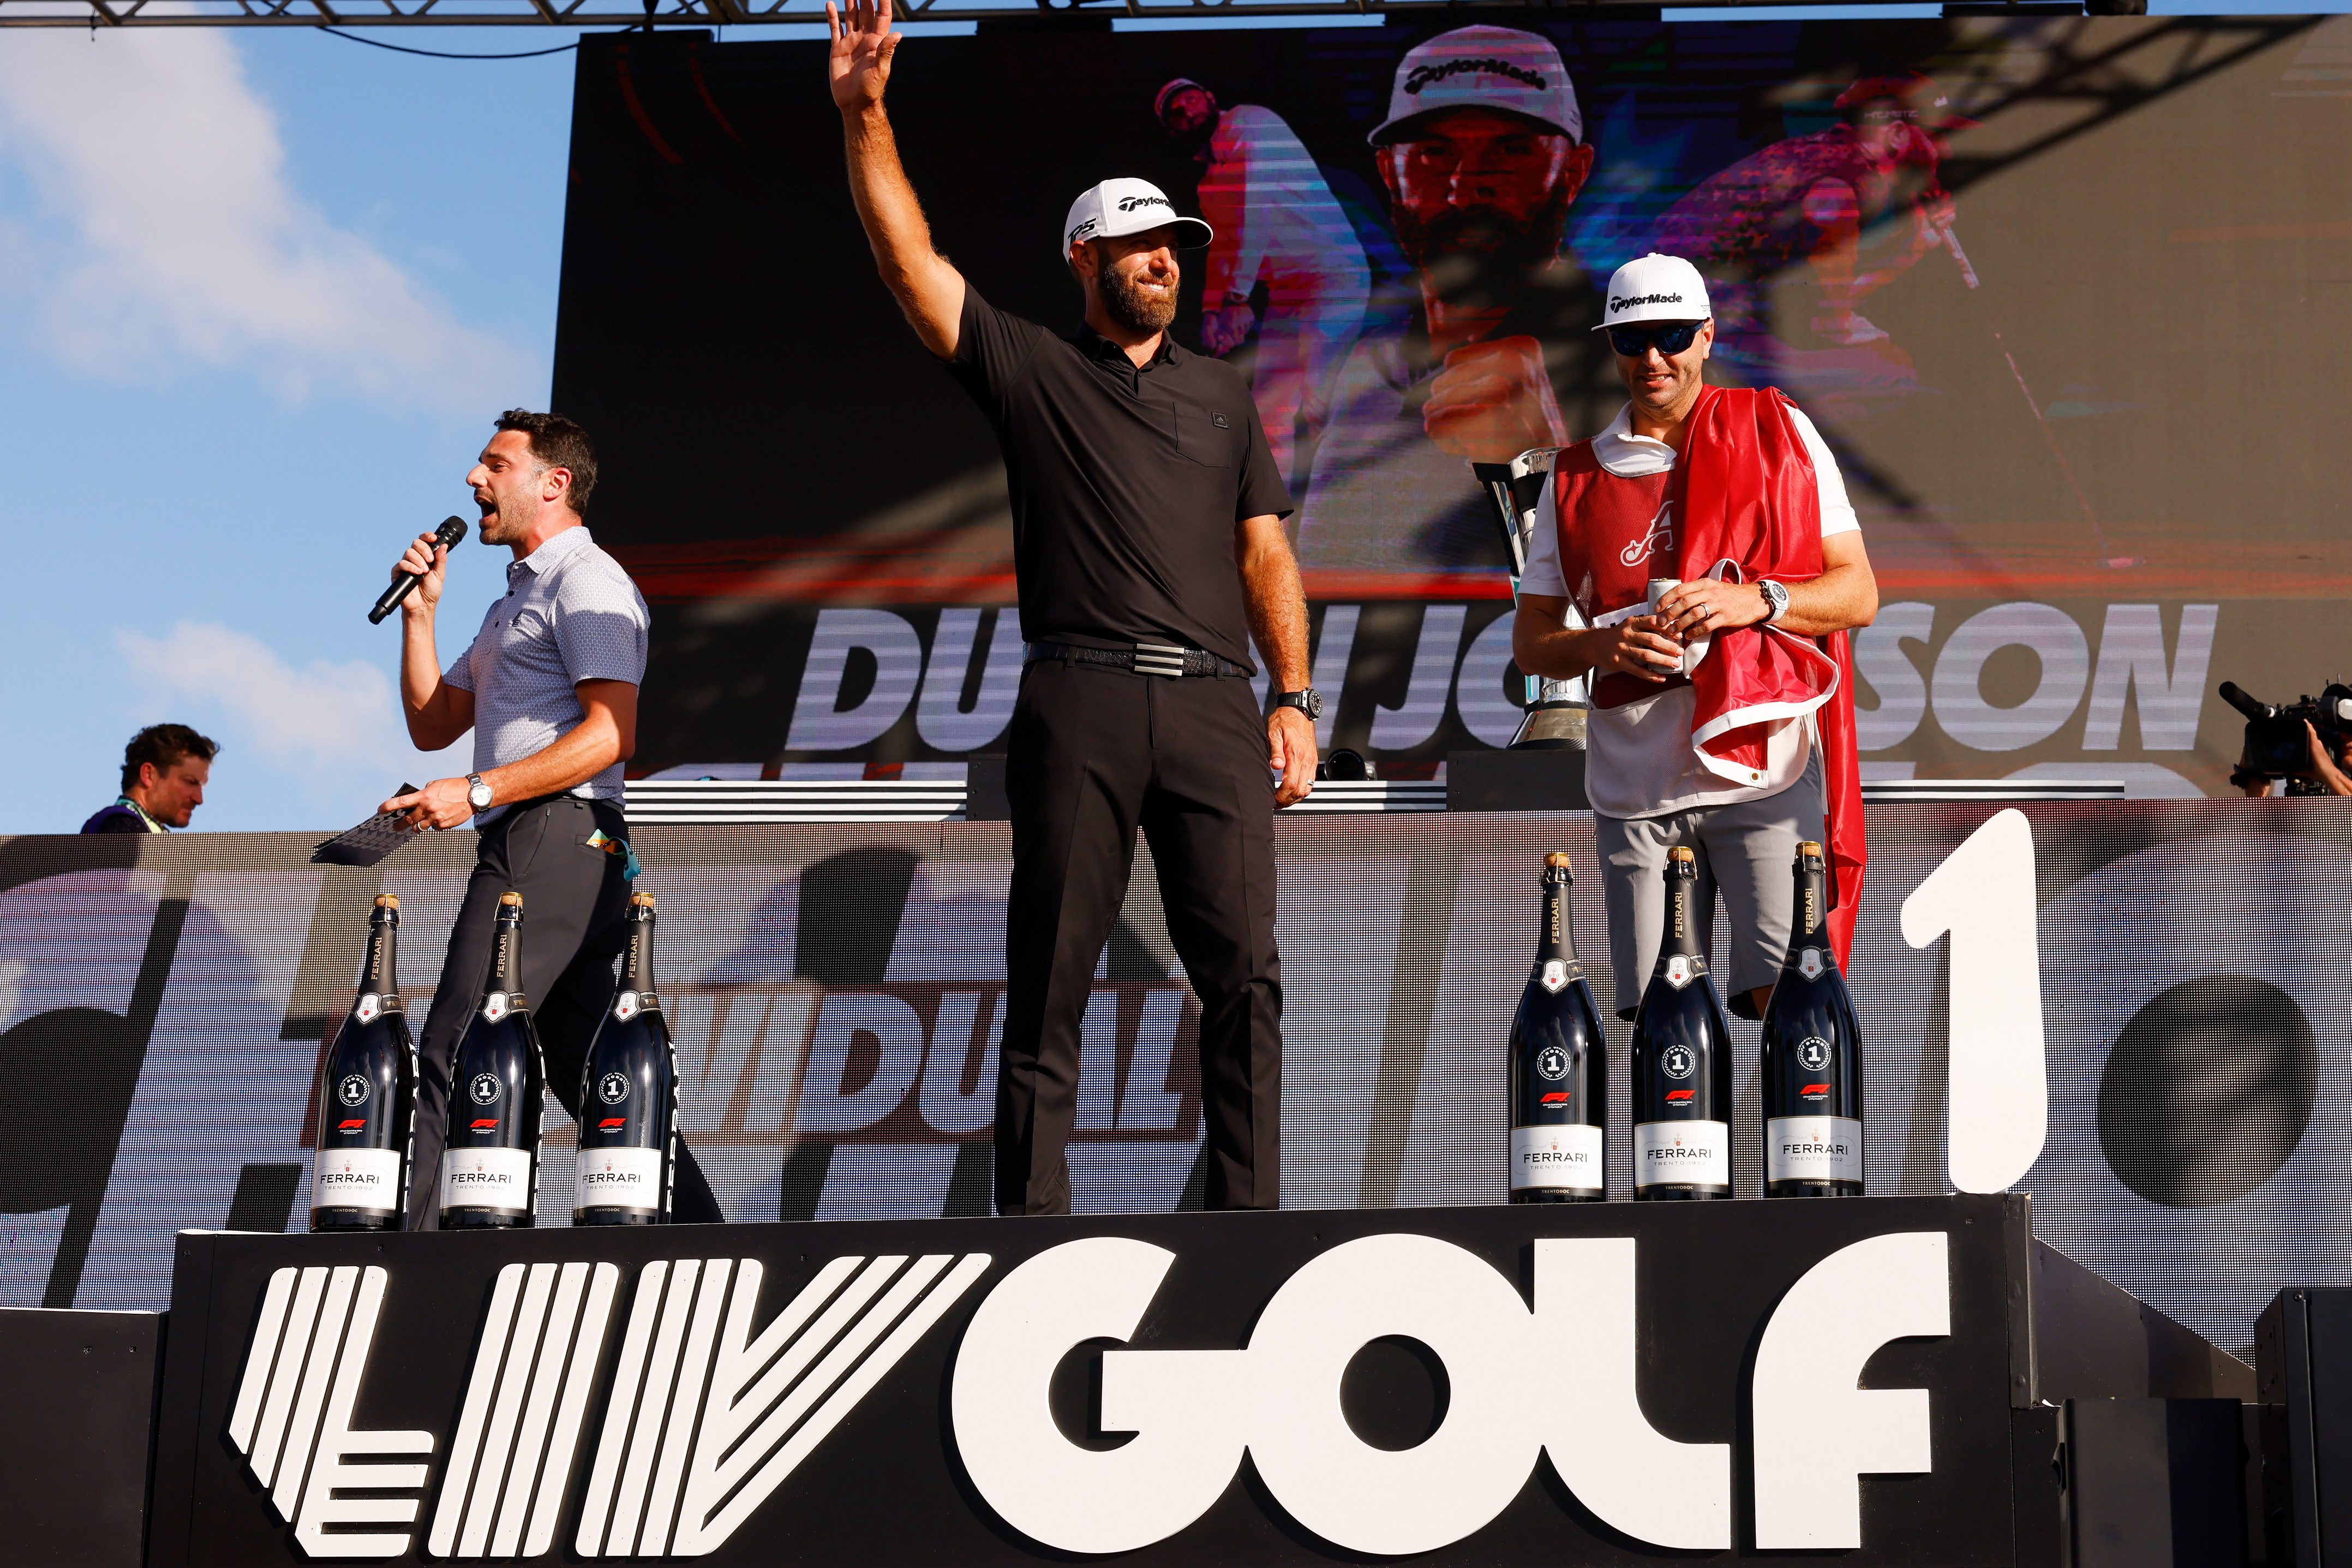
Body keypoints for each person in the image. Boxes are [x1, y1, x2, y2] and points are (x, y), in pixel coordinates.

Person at [829, 0, 1319, 1214]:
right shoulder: (1035, 369)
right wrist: (865, 113)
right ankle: (1030, 1237)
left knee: (1247, 978)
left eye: (1175, 245)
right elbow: (908, 264)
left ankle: (1247, 1227)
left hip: (1215, 706)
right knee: (1049, 979)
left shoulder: (1223, 395)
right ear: (1085, 259)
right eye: (1141, 244)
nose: (1166, 259)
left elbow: (1265, 553)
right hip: (1081, 695)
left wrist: (1296, 697)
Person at [380, 410, 725, 1229]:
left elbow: (611, 734)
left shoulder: (588, 581)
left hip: (556, 833)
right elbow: (434, 721)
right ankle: (712, 1239)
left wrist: (476, 792)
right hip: (545, 838)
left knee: (458, 1043)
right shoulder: (517, 598)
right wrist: (421, 614)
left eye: (495, 464)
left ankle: (396, 1266)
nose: (474, 479)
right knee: (587, 1065)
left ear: (553, 482)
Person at [1511, 254, 1875, 1020]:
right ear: (1608, 346)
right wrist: (1602, 649)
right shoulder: (1573, 475)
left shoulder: (1776, 429)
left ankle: (1801, 1147)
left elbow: (1856, 591)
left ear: (1706, 335)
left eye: (1671, 334)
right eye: (1631, 339)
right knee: (1658, 1028)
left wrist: (1755, 600)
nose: (1652, 358)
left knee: (1798, 1009)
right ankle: (1670, 1151)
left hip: (1762, 764)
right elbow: (1533, 641)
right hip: (1634, 781)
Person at [1295, 25, 1620, 579]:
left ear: (1574, 173)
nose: (1465, 188)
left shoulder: (1643, 362)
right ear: (1388, 174)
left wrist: (1540, 462)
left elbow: (1663, 596)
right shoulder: (1356, 368)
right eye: (1433, 154)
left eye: (1511, 151)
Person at [1653, 73, 1978, 413]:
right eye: (1938, 135)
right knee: (1892, 371)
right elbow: (1829, 317)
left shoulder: (1831, 157)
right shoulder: (1840, 183)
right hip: (1694, 327)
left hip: (1710, 312)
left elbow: (1817, 289)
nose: (1946, 149)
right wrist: (1917, 247)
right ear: (1898, 135)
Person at [1156, 78, 1371, 490]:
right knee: (1270, 412)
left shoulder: (1249, 122)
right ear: (1173, 132)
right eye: (1175, 112)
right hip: (1286, 293)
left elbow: (1259, 207)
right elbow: (1224, 247)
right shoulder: (1209, 183)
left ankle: (1355, 506)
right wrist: (1212, 312)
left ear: (1212, 98)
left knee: (1317, 395)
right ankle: (1273, 532)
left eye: (1190, 99)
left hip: (1333, 276)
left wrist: (1236, 297)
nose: (1185, 109)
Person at [81, 723, 216, 833]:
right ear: (148, 775)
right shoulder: (122, 827)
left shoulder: (134, 829)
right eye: (190, 782)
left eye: (202, 787)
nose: (199, 799)